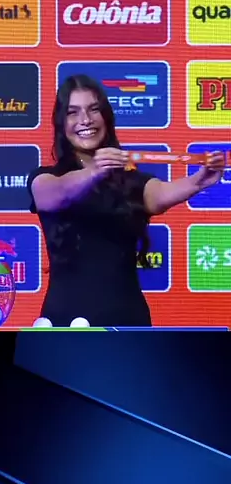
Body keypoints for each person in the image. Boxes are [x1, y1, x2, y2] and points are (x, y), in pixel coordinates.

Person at [27, 74, 224, 327]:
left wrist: (200, 180)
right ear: (61, 123)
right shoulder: (46, 177)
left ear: (106, 117)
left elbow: (159, 194)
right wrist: (94, 171)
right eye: (73, 112)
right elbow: (54, 195)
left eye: (94, 109)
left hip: (129, 322)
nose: (85, 120)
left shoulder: (130, 182)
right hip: (67, 322)